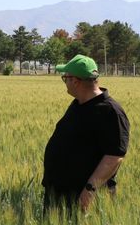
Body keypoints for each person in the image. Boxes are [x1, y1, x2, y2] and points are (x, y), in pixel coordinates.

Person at [42, 54, 129, 211]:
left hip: (82, 198)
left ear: (75, 81)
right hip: (59, 195)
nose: (64, 82)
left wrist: (90, 190)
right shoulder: (78, 104)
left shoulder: (110, 111)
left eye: (65, 78)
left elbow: (114, 156)